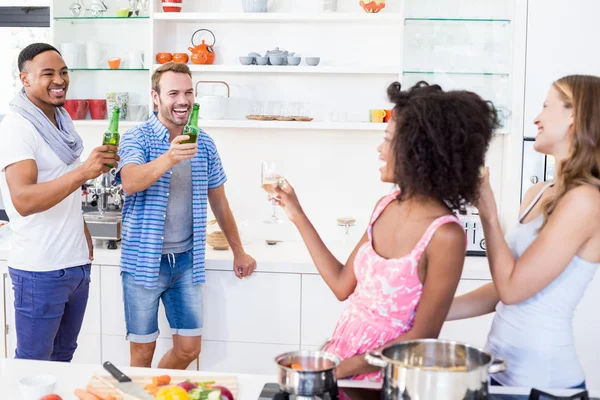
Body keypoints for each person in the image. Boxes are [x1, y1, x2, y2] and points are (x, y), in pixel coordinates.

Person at [274, 81, 497, 380]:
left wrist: (344, 368)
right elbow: (342, 285)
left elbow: (423, 335)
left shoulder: (446, 236)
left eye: (388, 139)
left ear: (418, 150)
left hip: (388, 375)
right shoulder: (385, 205)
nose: (380, 149)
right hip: (339, 357)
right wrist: (297, 215)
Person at [447, 74, 600, 389]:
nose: (536, 118)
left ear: (575, 116)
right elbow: (505, 289)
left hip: (542, 385)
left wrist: (488, 214)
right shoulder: (539, 194)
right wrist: (434, 309)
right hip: (499, 372)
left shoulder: (587, 201)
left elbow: (512, 289)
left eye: (546, 106)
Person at [117, 61, 256, 369]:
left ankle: (154, 393)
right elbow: (129, 181)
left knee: (189, 349)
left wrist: (239, 251)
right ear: (155, 97)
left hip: (186, 262)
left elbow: (219, 202)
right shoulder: (136, 137)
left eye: (188, 92)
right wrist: (170, 157)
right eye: (173, 93)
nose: (183, 100)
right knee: (141, 354)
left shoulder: (204, 143)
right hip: (143, 261)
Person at [0, 43, 119, 361]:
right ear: (24, 79)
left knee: (64, 359)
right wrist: (85, 171)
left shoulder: (61, 123)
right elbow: (23, 199)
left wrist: (82, 228)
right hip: (40, 269)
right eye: (48, 73)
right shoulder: (17, 127)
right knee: (34, 364)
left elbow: (61, 185)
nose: (60, 79)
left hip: (75, 264)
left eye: (64, 72)